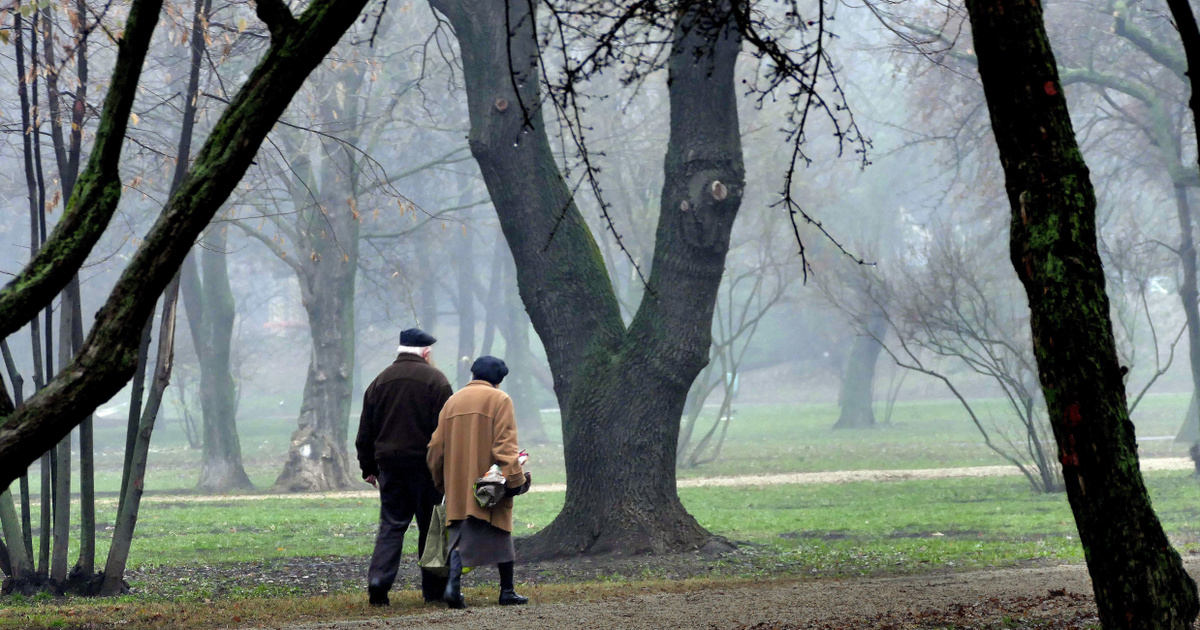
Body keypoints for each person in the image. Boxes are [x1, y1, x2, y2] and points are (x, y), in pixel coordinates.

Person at [355, 327, 453, 607]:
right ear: (425, 352)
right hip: (426, 469)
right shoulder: (437, 381)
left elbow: (365, 431)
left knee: (392, 526)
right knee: (431, 526)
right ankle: (434, 591)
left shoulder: (378, 382)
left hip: (390, 467)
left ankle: (379, 582)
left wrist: (368, 467)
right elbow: (446, 431)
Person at [427, 356, 532, 609]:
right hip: (490, 484)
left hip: (458, 486)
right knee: (501, 532)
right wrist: (516, 479)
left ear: (473, 373)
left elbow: (435, 449)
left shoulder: (452, 402)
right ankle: (506, 590)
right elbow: (505, 446)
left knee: (458, 537)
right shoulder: (500, 399)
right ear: (499, 380)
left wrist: (443, 483)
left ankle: (453, 587)